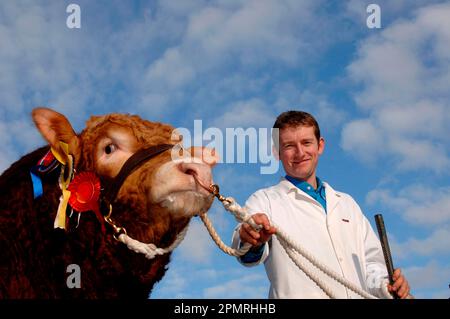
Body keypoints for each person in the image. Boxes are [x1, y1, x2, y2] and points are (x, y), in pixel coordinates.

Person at [231, 110, 411, 299]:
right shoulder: (264, 200)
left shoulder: (347, 204)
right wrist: (251, 237)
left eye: (306, 143)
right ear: (277, 152)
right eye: (289, 146)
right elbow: (244, 251)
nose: (300, 153)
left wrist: (386, 285)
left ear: (320, 146)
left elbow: (372, 265)